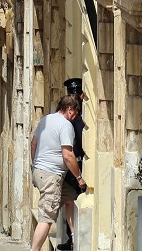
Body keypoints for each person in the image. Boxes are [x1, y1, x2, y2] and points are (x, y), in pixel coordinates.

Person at [30, 96, 85, 251]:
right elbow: (68, 155)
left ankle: (74, 237)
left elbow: (33, 143)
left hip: (41, 172)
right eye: (75, 113)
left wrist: (35, 165)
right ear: (70, 109)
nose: (75, 117)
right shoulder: (65, 125)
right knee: (46, 218)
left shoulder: (46, 119)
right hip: (51, 176)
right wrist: (79, 177)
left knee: (70, 198)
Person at [59, 80, 87, 251]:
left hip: (78, 162)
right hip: (72, 164)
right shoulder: (71, 119)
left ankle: (73, 240)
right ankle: (71, 240)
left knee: (72, 202)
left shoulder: (79, 118)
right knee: (70, 202)